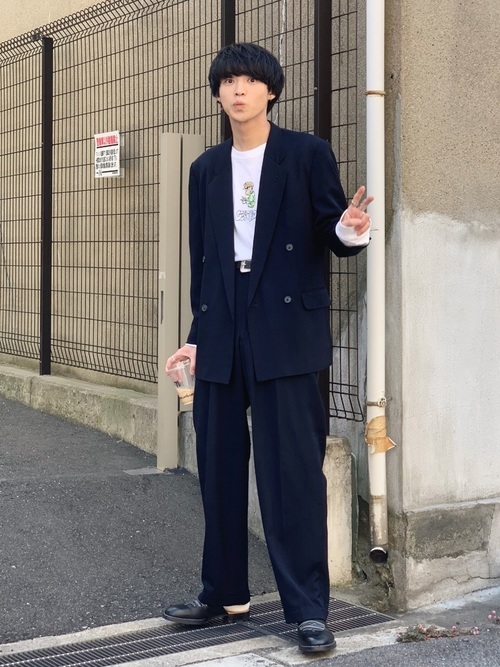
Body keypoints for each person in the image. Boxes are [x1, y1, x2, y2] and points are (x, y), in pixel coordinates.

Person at [163, 42, 372, 654]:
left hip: (285, 332)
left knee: (292, 476)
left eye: (250, 80)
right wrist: (197, 339)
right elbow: (204, 262)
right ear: (217, 92)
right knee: (219, 469)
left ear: (271, 91)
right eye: (228, 80)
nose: (238, 90)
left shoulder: (305, 153)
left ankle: (308, 610)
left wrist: (349, 230)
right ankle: (224, 592)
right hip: (223, 331)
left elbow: (331, 228)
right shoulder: (206, 169)